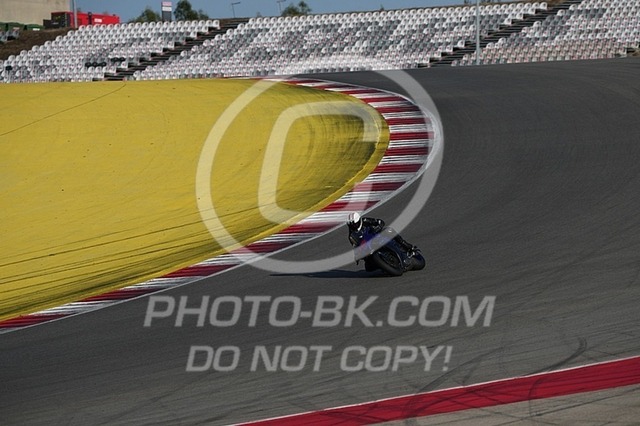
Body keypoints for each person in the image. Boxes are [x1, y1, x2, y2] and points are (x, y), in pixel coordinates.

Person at [346, 212, 416, 268]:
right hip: (368, 247)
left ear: (359, 221)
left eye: (355, 224)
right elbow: (356, 246)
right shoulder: (351, 236)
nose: (353, 226)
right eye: (351, 225)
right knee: (368, 266)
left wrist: (378, 227)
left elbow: (380, 222)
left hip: (376, 237)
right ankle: (382, 264)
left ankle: (406, 245)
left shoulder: (365, 221)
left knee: (389, 230)